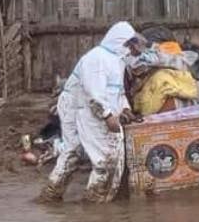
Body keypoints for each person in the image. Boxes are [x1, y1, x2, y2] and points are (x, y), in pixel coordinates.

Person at [39, 22, 145, 203]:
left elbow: (117, 91)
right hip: (80, 107)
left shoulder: (117, 61)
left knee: (73, 153)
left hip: (88, 107)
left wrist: (125, 108)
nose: (130, 51)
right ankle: (95, 202)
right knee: (105, 157)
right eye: (129, 46)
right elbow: (94, 94)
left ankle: (51, 195)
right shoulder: (96, 59)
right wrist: (108, 116)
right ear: (121, 42)